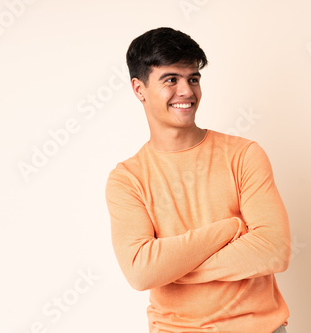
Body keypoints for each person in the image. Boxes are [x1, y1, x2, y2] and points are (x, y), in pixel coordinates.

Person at [105, 27, 290, 333]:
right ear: (139, 89)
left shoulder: (244, 155)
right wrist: (230, 228)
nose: (187, 92)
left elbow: (274, 249)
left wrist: (169, 268)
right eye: (171, 80)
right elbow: (140, 272)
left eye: (193, 79)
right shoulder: (128, 179)